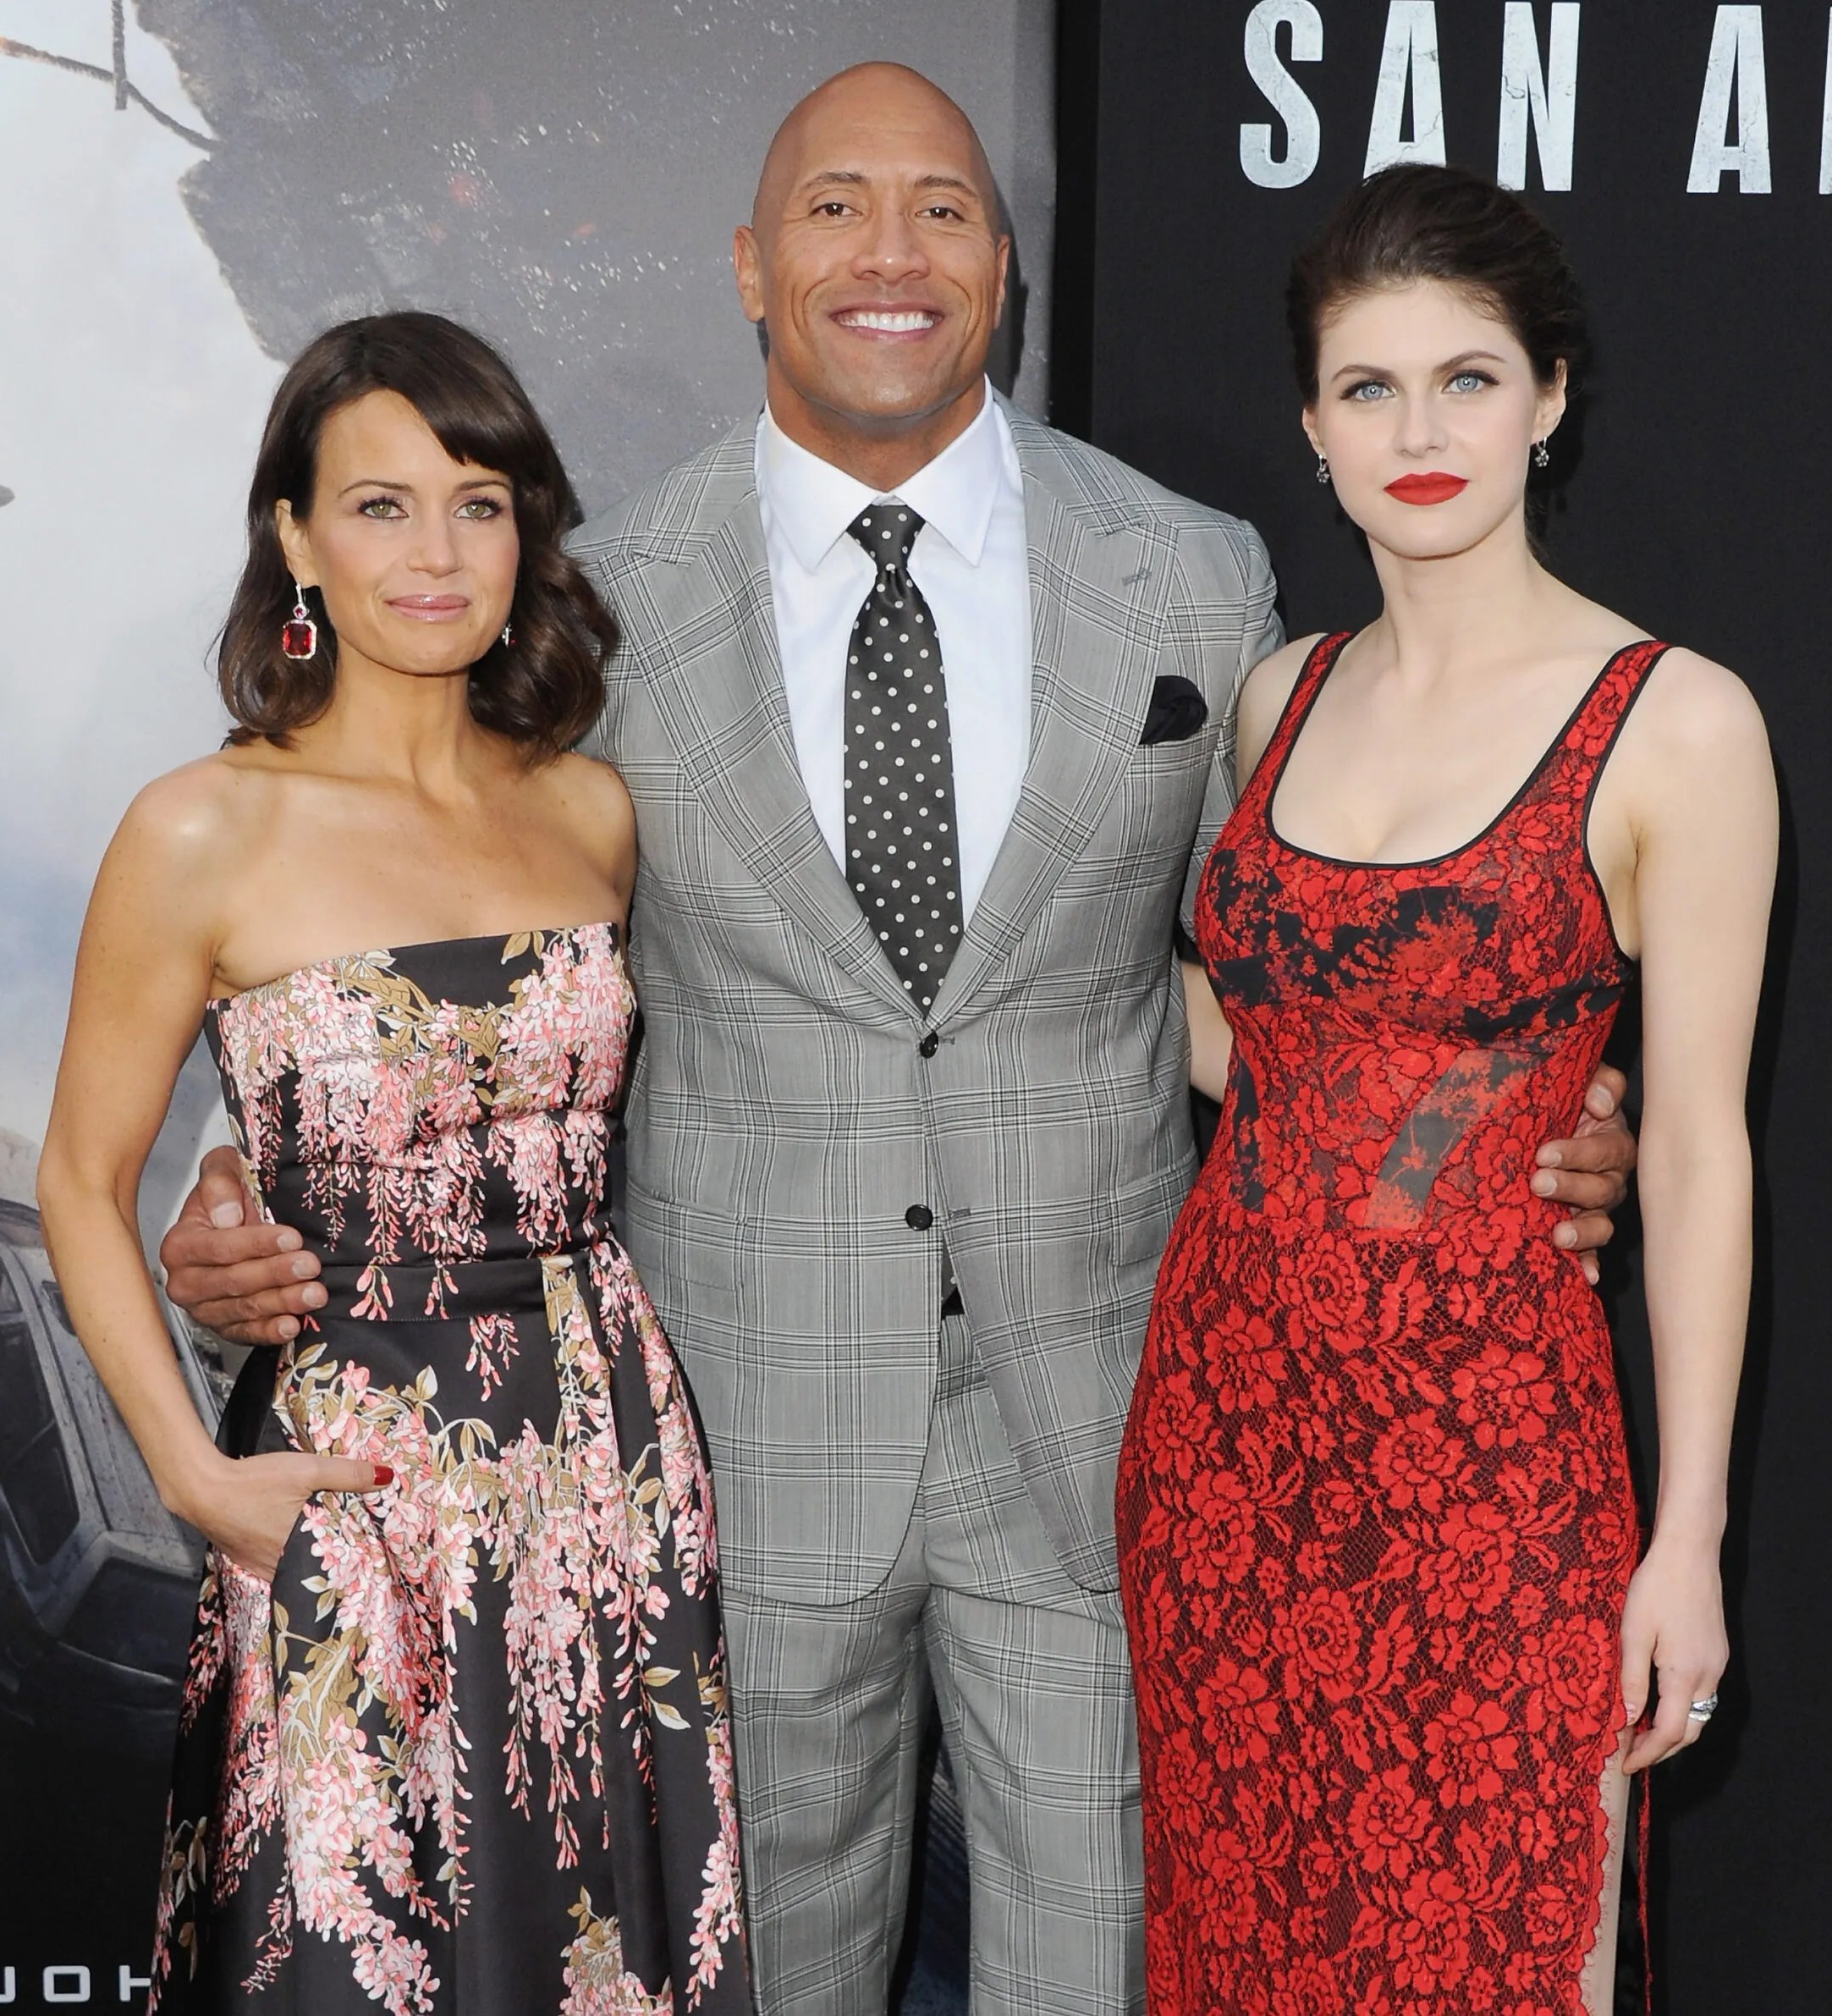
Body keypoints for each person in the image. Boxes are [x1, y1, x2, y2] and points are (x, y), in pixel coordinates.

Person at [157, 70, 1635, 2016]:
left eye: (940, 208)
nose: (889, 251)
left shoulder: (1193, 574)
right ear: (747, 266)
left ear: (1002, 269)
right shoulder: (597, 609)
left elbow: (1293, 971)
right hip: (730, 1446)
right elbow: (428, 938)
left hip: (1114, 1433)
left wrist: (1497, 1111)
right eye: (834, 205)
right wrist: (239, 1187)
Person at [1118, 165, 1776, 2015]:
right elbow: (1269, 1052)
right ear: (1310, 427)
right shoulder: (1279, 697)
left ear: (1548, 396)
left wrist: (1687, 1540)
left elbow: (1698, 1154)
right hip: (1222, 1447)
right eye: (1369, 389)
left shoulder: (1677, 722)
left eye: (1466, 380)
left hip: (1493, 1469)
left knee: (1498, 1950)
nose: (1418, 435)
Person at [36, 311, 745, 2014]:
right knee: (340, 1951)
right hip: (348, 1478)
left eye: (477, 504)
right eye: (380, 506)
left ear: (525, 533)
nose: (435, 554)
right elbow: (79, 1176)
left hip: (603, 1465)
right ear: (296, 538)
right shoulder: (201, 825)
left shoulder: (587, 810)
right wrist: (192, 1482)